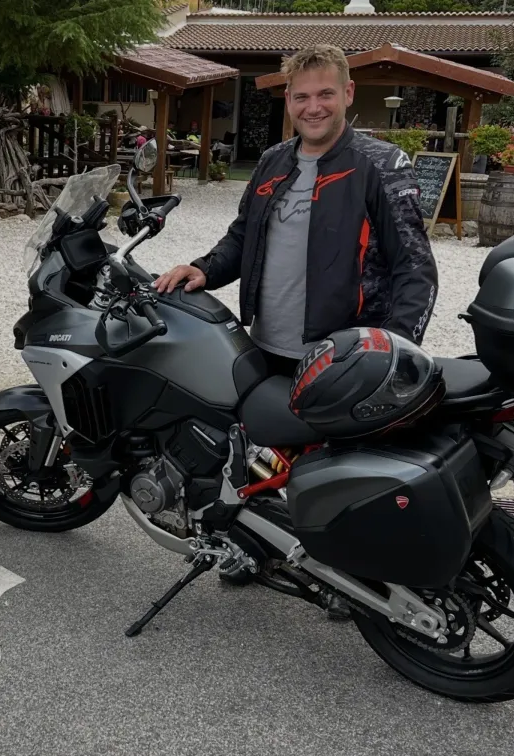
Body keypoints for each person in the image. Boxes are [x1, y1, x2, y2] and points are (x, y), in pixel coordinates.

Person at [152, 44, 438, 619]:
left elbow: (415, 267)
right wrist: (203, 267)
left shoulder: (381, 165)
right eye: (302, 96)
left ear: (348, 95)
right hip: (269, 346)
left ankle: (362, 583)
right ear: (288, 100)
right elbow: (241, 237)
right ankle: (251, 549)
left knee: (340, 477)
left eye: (325, 94)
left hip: (344, 359)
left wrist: (395, 352)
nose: (313, 106)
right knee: (260, 460)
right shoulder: (274, 161)